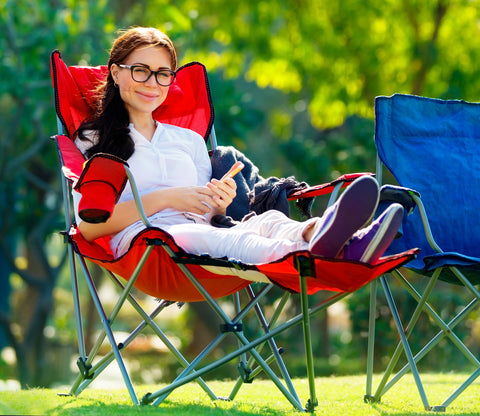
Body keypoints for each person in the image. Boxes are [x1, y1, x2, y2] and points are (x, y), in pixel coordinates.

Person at [73, 26, 403, 265]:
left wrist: (218, 202)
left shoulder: (187, 140)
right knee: (220, 237)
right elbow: (89, 226)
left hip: (200, 229)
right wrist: (167, 198)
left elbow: (209, 213)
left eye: (163, 74)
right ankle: (325, 255)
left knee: (269, 222)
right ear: (116, 73)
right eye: (141, 71)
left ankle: (330, 235)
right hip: (149, 245)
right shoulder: (95, 139)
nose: (153, 84)